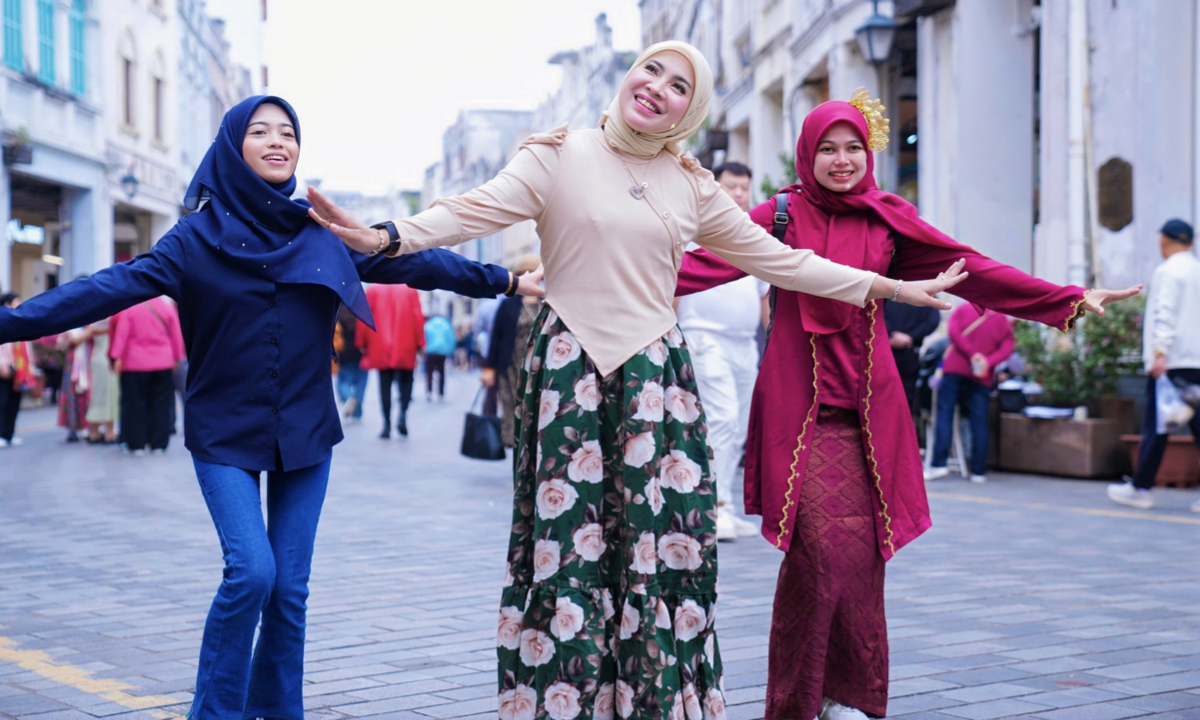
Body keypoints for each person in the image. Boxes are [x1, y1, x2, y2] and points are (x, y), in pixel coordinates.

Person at [310, 43, 967, 718]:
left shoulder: (693, 185)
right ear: (629, 76)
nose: (657, 87)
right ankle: (568, 702)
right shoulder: (557, 154)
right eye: (651, 69)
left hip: (657, 386)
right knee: (569, 555)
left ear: (692, 108)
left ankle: (652, 702)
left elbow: (786, 262)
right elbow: (470, 210)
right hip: (571, 378)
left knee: (659, 557)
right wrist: (383, 236)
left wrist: (889, 288)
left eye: (679, 84)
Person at [0, 96, 542, 720]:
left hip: (306, 430)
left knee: (289, 590)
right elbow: (104, 290)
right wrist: (12, 325)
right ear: (233, 146)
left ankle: (279, 711)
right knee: (251, 573)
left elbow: (415, 264)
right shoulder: (193, 240)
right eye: (260, 132)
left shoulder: (322, 231)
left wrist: (503, 281)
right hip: (224, 429)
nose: (278, 141)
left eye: (288, 132)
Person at [675, 92, 1139, 720]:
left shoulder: (888, 219)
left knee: (862, 564)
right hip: (800, 413)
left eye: (854, 148)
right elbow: (698, 264)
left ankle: (847, 698)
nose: (842, 161)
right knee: (818, 558)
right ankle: (794, 704)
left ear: (869, 154)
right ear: (809, 153)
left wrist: (1066, 296)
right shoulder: (779, 215)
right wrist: (592, 281)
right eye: (829, 149)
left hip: (870, 418)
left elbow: (973, 270)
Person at [675, 161, 768, 542]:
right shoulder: (695, 231)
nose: (739, 194)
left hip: (744, 344)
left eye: (745, 187)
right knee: (723, 418)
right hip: (703, 337)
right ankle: (707, 507)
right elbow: (675, 288)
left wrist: (774, 343)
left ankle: (724, 503)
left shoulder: (752, 235)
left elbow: (765, 297)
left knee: (741, 423)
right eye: (732, 186)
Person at [1108, 219, 1200, 512]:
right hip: (1195, 361)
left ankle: (1140, 488)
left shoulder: (1168, 271)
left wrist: (1159, 352)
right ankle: (1140, 486)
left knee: (1156, 426)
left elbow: (1164, 313)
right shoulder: (1197, 270)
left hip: (1172, 362)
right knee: (1193, 426)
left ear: (1164, 240)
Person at [924, 303, 1013, 483]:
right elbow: (1007, 347)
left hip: (955, 367)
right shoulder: (1002, 319)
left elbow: (953, 332)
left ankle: (939, 464)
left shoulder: (964, 309)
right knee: (979, 420)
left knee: (945, 413)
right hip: (982, 374)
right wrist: (987, 361)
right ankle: (978, 470)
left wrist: (972, 354)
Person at [109, 297, 186, 455]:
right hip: (163, 361)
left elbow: (122, 334)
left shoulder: (130, 308)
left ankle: (137, 444)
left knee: (135, 405)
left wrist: (116, 356)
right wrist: (178, 356)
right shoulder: (166, 307)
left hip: (134, 362)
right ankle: (158, 444)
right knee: (161, 404)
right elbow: (176, 333)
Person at [482, 254, 543, 447]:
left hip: (540, 368)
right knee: (511, 408)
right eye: (524, 272)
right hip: (509, 367)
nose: (529, 275)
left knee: (537, 409)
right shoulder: (508, 305)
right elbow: (496, 337)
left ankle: (533, 448)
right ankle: (515, 447)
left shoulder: (547, 302)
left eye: (533, 272)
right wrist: (489, 368)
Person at [357, 283, 425, 438]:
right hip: (406, 341)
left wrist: (362, 341)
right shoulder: (410, 289)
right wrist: (420, 342)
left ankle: (386, 424)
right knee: (407, 381)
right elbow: (417, 316)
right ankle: (402, 414)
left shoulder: (373, 289)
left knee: (384, 384)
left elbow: (364, 315)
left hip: (380, 343)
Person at [883, 301, 941, 416]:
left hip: (884, 348)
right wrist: (911, 337)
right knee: (905, 397)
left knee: (879, 395)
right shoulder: (928, 292)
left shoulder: (887, 287)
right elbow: (932, 321)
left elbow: (875, 313)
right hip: (909, 351)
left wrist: (890, 335)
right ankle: (902, 431)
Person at [0, 292, 37, 447]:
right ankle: (1, 434)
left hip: (20, 369)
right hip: (5, 368)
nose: (19, 305)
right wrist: (2, 366)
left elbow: (26, 347)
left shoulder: (19, 323)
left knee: (15, 403)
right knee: (2, 403)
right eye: (16, 302)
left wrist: (31, 368)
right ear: (7, 304)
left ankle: (9, 434)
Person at [85, 318, 120, 444]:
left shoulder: (94, 320)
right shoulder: (111, 320)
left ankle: (94, 432)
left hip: (96, 358)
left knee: (97, 395)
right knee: (109, 395)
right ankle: (109, 433)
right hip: (107, 358)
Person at [335, 303, 368, 421]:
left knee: (343, 381)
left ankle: (348, 398)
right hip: (361, 352)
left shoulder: (338, 315)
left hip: (344, 354)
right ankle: (357, 411)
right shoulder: (361, 315)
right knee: (361, 383)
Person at [424, 314, 455, 400]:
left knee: (429, 372)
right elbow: (451, 339)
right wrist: (449, 351)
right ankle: (441, 393)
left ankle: (429, 391)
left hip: (430, 351)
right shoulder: (446, 325)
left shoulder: (428, 325)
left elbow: (424, 337)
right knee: (441, 372)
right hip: (442, 352)